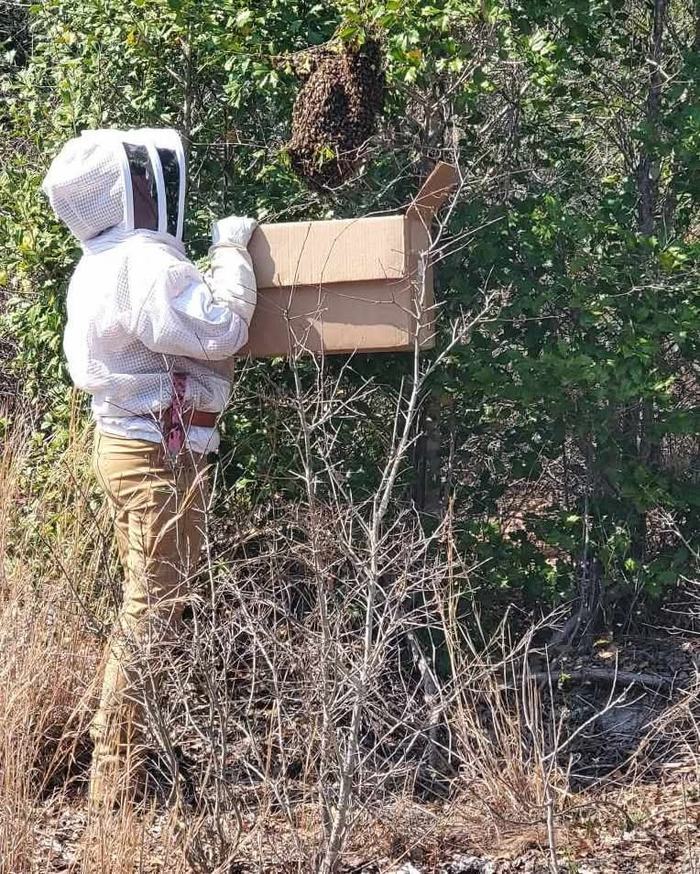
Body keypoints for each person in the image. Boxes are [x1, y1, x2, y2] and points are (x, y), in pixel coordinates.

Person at [41, 128, 257, 807]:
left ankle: (133, 755)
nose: (152, 184)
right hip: (156, 457)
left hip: (127, 448)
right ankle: (115, 778)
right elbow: (219, 327)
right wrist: (230, 248)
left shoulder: (100, 261)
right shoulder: (143, 262)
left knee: (148, 604)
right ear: (123, 190)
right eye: (140, 176)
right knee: (151, 612)